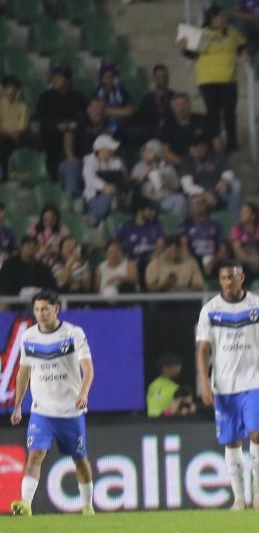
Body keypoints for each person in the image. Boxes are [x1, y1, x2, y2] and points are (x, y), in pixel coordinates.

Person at [196, 262, 259, 511]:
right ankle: (238, 497)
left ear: (241, 278)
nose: (227, 282)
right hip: (223, 385)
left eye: (232, 277)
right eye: (223, 278)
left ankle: (258, 487)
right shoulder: (210, 310)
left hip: (254, 381)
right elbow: (202, 349)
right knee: (232, 441)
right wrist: (204, 382)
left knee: (257, 433)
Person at [8, 290, 95, 516]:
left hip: (70, 411)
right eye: (37, 310)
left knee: (80, 460)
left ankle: (87, 505)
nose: (40, 314)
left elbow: (88, 368)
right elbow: (23, 373)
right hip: (42, 411)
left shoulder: (73, 333)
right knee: (35, 454)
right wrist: (18, 405)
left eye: (45, 309)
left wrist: (83, 393)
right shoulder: (28, 337)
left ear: (56, 309)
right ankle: (25, 503)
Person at [34, 66, 86, 184]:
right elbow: (40, 116)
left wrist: (70, 124)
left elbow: (82, 116)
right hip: (52, 131)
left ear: (67, 81)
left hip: (72, 131)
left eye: (59, 78)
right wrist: (56, 125)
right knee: (49, 137)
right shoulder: (45, 96)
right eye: (54, 78)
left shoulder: (78, 97)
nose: (55, 81)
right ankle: (52, 176)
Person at [180, 137, 241, 217]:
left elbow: (228, 173)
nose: (195, 151)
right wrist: (204, 193)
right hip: (198, 192)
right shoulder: (186, 160)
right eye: (193, 148)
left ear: (205, 147)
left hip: (218, 191)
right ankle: (190, 226)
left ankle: (235, 221)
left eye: (199, 147)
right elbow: (187, 186)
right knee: (194, 201)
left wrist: (225, 181)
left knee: (234, 188)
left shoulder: (217, 156)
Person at [132, 139, 187, 219]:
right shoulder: (139, 167)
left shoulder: (168, 168)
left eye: (150, 152)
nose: (146, 154)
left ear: (157, 153)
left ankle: (177, 226)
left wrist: (165, 185)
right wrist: (144, 177)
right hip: (145, 200)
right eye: (145, 152)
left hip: (163, 199)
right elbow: (131, 182)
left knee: (180, 199)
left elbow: (177, 187)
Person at [82, 133, 129, 223]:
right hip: (94, 197)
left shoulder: (117, 161)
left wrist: (115, 187)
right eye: (109, 150)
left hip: (117, 194)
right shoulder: (90, 161)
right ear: (100, 150)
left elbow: (124, 177)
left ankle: (93, 217)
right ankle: (95, 216)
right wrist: (104, 186)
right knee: (107, 195)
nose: (111, 153)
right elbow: (89, 178)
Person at [183, 199, 229, 278]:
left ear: (206, 206)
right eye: (195, 204)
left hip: (212, 258)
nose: (198, 207)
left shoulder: (216, 225)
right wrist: (192, 261)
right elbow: (183, 246)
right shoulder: (186, 224)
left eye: (200, 203)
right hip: (194, 259)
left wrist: (215, 259)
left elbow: (223, 248)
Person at [116, 202, 163, 277]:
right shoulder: (127, 226)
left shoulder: (156, 225)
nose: (152, 212)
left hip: (151, 261)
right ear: (140, 211)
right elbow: (115, 243)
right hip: (131, 262)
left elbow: (161, 245)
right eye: (149, 210)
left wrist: (151, 258)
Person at [134, 64, 176, 139]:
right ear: (154, 78)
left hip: (172, 136)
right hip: (151, 137)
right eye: (159, 77)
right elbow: (140, 121)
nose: (162, 79)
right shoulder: (147, 99)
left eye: (165, 76)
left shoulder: (175, 97)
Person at [0, 75, 29, 165]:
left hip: (19, 136)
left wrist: (16, 134)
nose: (12, 90)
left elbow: (23, 126)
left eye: (15, 87)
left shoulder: (23, 106)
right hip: (3, 135)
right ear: (4, 89)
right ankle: (4, 173)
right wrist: (10, 134)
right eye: (9, 87)